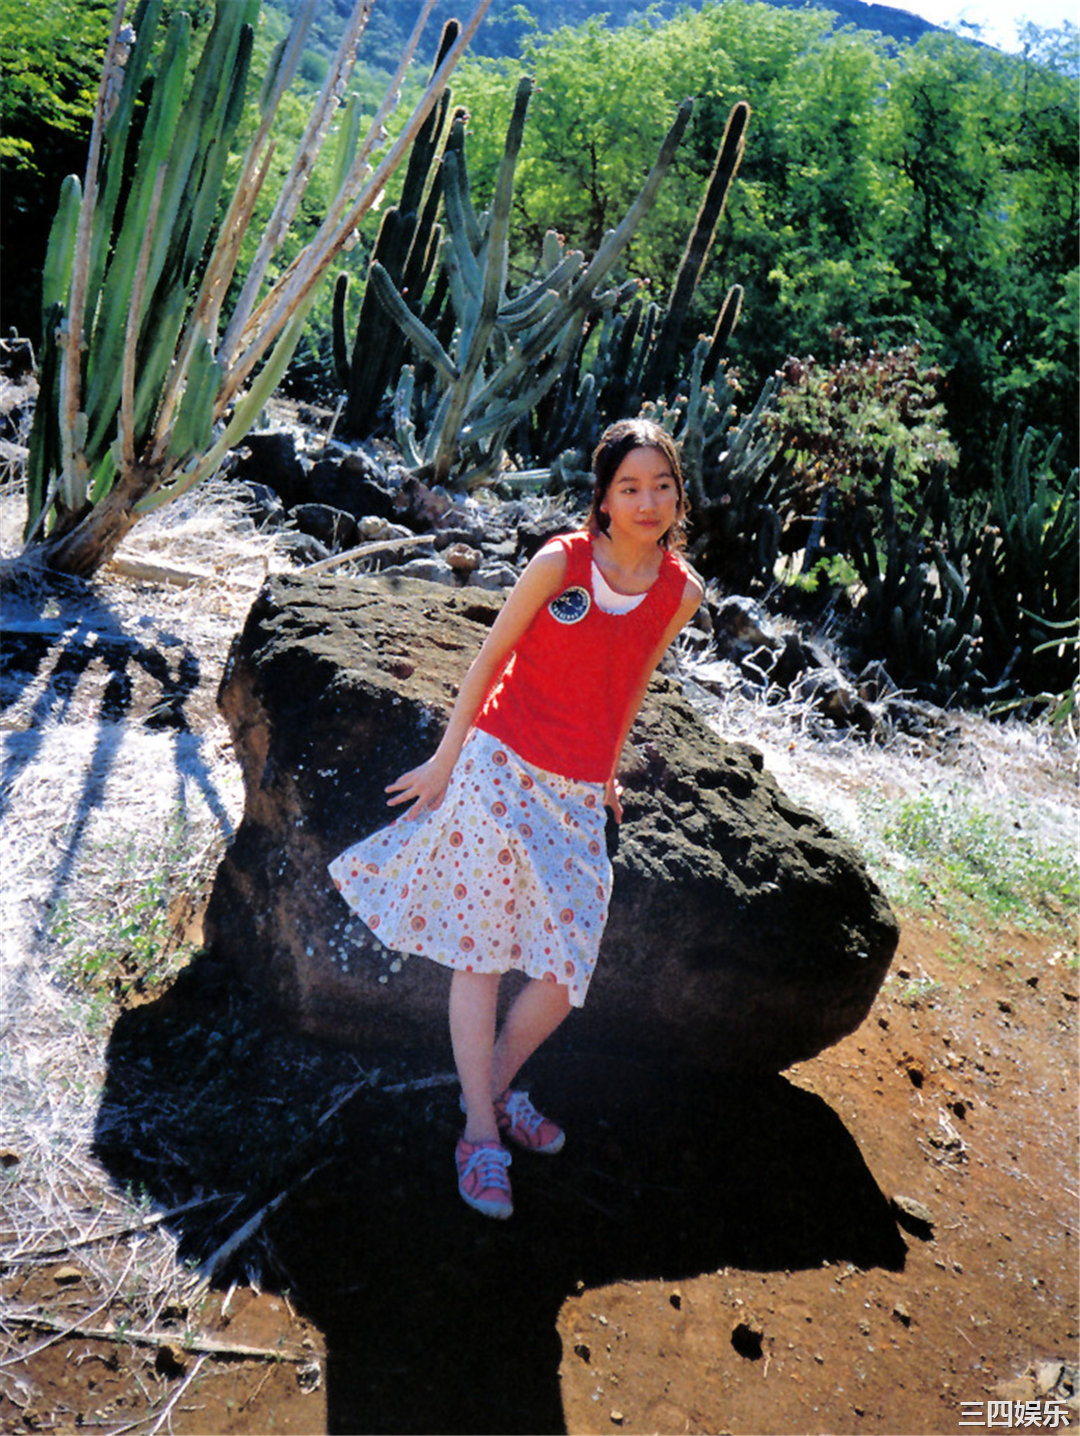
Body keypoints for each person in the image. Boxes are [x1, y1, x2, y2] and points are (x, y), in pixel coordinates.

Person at [329, 418, 704, 1219]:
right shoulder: (559, 563)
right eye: (630, 487)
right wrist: (443, 762)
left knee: (568, 965)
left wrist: (605, 768)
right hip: (499, 763)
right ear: (602, 497)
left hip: (574, 790)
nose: (647, 501)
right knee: (485, 949)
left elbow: (633, 681)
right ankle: (479, 1133)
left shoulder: (681, 592)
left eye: (662, 486)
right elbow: (489, 658)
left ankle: (491, 1086)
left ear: (678, 495)